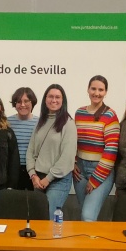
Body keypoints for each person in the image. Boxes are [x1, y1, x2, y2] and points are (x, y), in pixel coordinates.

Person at [73, 75, 120, 221]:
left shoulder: (110, 115)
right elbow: (74, 142)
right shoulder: (79, 113)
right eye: (93, 88)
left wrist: (95, 179)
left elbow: (111, 150)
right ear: (88, 89)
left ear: (106, 92)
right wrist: (73, 162)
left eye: (101, 90)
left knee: (87, 216)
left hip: (101, 171)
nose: (96, 93)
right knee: (85, 214)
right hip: (80, 171)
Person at [27, 85, 77, 217]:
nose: (53, 100)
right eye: (50, 96)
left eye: (57, 97)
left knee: (49, 215)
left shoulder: (68, 124)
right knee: (37, 216)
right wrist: (33, 174)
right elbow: (31, 150)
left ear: (63, 100)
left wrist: (48, 178)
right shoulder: (41, 122)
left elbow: (67, 157)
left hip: (58, 180)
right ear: (45, 99)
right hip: (38, 178)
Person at [7, 87, 39, 190]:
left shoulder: (40, 123)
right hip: (12, 170)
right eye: (19, 101)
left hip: (34, 171)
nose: (23, 105)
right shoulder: (7, 123)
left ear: (32, 102)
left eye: (26, 101)